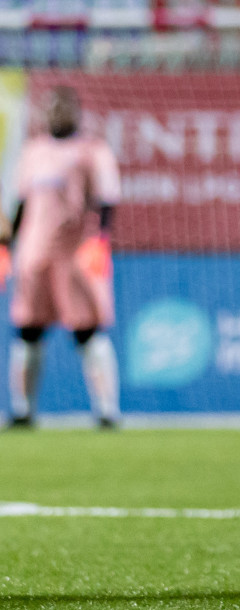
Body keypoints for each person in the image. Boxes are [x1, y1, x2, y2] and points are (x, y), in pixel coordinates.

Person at [6, 85, 122, 429]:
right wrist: (6, 247)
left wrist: (99, 242)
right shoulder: (33, 151)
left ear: (77, 112)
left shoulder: (91, 150)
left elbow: (107, 198)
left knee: (87, 331)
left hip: (74, 257)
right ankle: (23, 411)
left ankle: (106, 411)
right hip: (33, 256)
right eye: (53, 108)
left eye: (65, 108)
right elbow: (20, 204)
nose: (58, 114)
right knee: (28, 331)